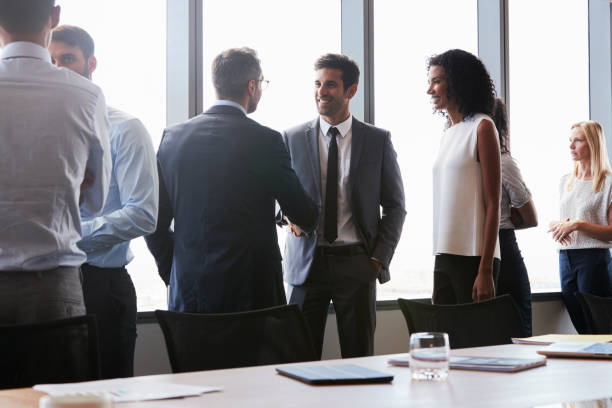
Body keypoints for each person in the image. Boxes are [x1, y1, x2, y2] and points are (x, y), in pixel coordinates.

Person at [146, 47, 318, 313]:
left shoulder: (173, 138)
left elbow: (154, 222)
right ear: (252, 85)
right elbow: (304, 214)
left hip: (189, 295)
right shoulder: (266, 140)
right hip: (252, 296)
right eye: (262, 83)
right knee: (254, 357)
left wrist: (175, 271)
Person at [49, 25, 158, 378]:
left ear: (91, 63)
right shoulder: (41, 129)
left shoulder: (126, 129)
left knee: (108, 393)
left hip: (100, 286)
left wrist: (68, 238)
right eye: (51, 61)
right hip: (47, 283)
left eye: (68, 59)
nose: (58, 69)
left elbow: (143, 213)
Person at [283, 53, 405, 359]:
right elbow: (275, 196)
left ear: (351, 90)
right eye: (317, 84)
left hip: (356, 265)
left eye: (331, 85)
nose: (321, 91)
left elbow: (395, 206)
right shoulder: (292, 138)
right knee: (298, 358)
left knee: (359, 359)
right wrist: (284, 216)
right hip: (305, 266)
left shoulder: (377, 140)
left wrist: (378, 260)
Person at [0, 0, 111, 324]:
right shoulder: (87, 96)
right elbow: (96, 201)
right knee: (58, 374)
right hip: (53, 288)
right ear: (55, 15)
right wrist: (70, 187)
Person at [428, 49, 501, 304]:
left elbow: (493, 203)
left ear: (458, 82)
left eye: (436, 81)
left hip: (474, 257)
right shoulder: (448, 134)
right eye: (430, 82)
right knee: (446, 338)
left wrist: (486, 269)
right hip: (444, 253)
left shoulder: (482, 127)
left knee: (474, 340)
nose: (430, 90)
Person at [549, 121, 612, 334]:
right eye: (570, 140)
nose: (571, 146)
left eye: (577, 140)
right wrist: (558, 226)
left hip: (593, 259)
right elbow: (567, 219)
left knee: (598, 328)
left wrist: (578, 224)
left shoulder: (607, 183)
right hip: (565, 258)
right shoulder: (565, 181)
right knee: (582, 328)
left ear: (592, 144)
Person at [492, 98, 538, 336]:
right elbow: (527, 217)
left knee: (515, 331)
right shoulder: (497, 161)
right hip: (493, 243)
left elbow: (531, 218)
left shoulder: (503, 162)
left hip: (502, 244)